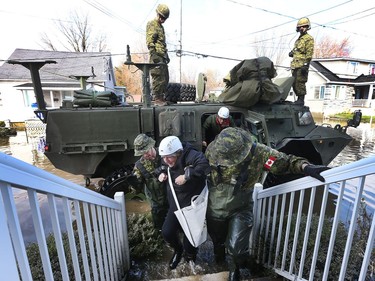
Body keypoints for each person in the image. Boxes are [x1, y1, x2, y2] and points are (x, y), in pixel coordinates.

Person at [205, 127, 329, 281]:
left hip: (240, 206)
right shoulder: (214, 150)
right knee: (217, 241)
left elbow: (285, 162)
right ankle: (220, 261)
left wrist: (306, 167)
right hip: (215, 205)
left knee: (237, 248)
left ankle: (235, 269)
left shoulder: (259, 153)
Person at [157, 136, 210, 269]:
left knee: (190, 239)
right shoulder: (166, 159)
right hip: (176, 203)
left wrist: (186, 176)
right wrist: (161, 173)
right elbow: (162, 167)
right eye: (164, 157)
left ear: (178, 153)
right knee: (167, 232)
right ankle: (178, 250)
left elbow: (204, 165)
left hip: (192, 205)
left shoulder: (190, 154)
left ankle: (190, 258)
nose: (166, 160)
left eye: (169, 157)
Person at [132, 134, 168, 230]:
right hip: (156, 201)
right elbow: (135, 190)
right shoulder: (139, 166)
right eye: (142, 154)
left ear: (151, 146)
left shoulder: (165, 154)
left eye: (146, 151)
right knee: (159, 225)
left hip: (171, 198)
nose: (145, 155)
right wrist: (135, 184)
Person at [146, 4, 170, 106]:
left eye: (164, 18)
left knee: (165, 78)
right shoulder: (152, 24)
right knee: (158, 77)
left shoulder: (161, 27)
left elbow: (162, 43)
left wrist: (166, 55)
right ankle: (157, 99)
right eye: (161, 17)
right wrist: (154, 54)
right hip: (156, 56)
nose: (163, 20)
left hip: (162, 56)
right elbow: (150, 41)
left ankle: (161, 97)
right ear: (157, 14)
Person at [289, 17, 314, 106]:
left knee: (300, 82)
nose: (301, 28)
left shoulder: (308, 39)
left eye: (303, 26)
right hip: (295, 65)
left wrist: (305, 65)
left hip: (302, 65)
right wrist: (292, 52)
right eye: (300, 27)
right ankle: (298, 99)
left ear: (307, 27)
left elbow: (309, 52)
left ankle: (301, 100)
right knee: (294, 82)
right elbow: (297, 50)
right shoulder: (299, 40)